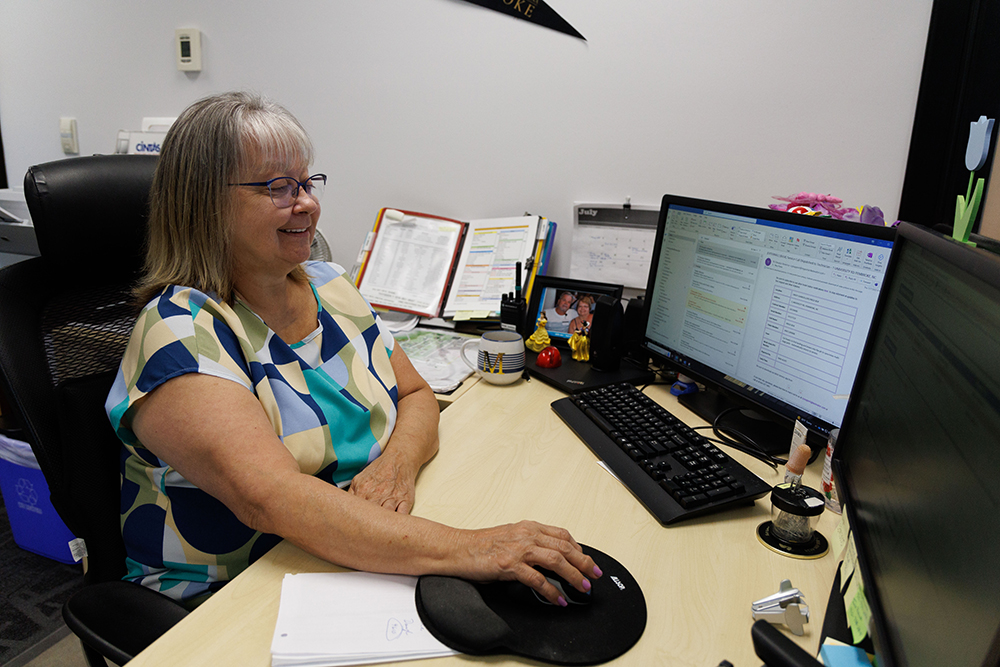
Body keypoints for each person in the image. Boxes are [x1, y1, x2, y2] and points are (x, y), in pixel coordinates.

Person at [105, 92, 599, 607]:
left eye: (306, 182)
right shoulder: (178, 333)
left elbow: (416, 395)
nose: (308, 203)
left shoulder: (330, 285)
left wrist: (398, 465)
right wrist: (475, 549)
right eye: (278, 187)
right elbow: (272, 500)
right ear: (204, 204)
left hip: (350, 553)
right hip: (232, 596)